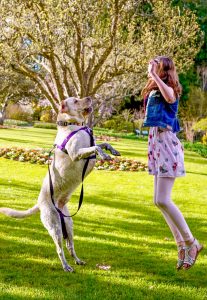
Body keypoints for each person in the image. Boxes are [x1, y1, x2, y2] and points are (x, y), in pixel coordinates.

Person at [142, 56, 203, 270]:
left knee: (163, 199)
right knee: (158, 201)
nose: (151, 66)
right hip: (156, 143)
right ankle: (181, 245)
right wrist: (152, 79)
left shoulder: (170, 88)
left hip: (166, 142)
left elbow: (169, 98)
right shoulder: (156, 88)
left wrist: (153, 76)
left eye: (155, 63)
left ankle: (191, 243)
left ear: (164, 68)